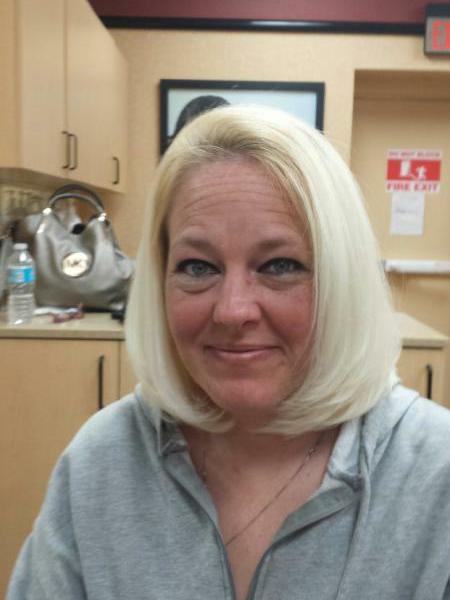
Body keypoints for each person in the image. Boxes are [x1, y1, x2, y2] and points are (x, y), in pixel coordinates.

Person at [7, 105, 450, 600]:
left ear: (342, 279)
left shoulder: (435, 474)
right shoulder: (103, 461)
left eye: (280, 265)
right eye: (198, 267)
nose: (232, 311)